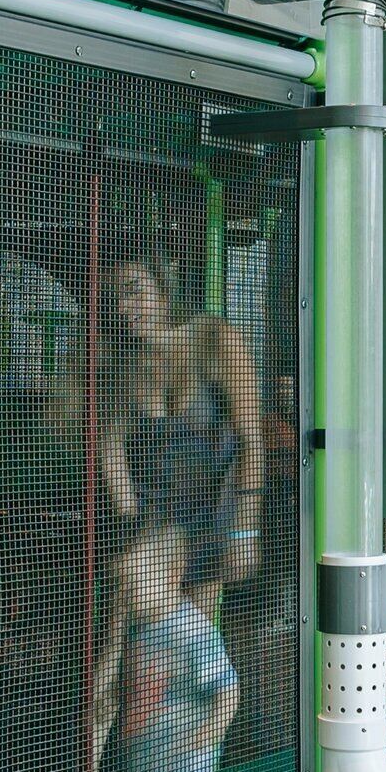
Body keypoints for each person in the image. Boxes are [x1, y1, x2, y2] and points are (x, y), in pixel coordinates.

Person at [86, 524, 239, 772]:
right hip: (143, 766)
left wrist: (193, 747)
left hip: (182, 771)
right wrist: (117, 624)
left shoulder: (191, 630)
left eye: (134, 586)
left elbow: (229, 694)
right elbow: (103, 693)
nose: (128, 595)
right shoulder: (137, 624)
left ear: (169, 576)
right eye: (124, 586)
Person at [97, 257, 264, 616]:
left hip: (211, 518)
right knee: (130, 641)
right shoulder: (127, 365)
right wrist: (132, 522)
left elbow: (251, 439)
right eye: (115, 300)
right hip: (156, 526)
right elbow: (110, 448)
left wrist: (244, 531)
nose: (126, 307)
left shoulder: (214, 338)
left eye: (134, 290)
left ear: (162, 286)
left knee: (193, 640)